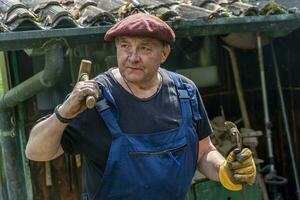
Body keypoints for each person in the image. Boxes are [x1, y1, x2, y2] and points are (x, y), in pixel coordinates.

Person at [25, 12, 256, 200]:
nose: (132, 57)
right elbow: (35, 152)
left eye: (144, 48)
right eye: (125, 46)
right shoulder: (93, 99)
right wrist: (64, 113)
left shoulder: (185, 92)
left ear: (164, 53)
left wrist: (225, 171)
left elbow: (203, 153)